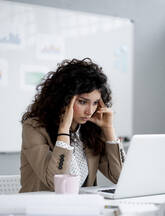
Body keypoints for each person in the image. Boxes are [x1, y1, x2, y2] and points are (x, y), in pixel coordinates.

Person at [19, 58, 125, 193]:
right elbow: (54, 183)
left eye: (95, 103)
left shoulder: (90, 129)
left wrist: (109, 130)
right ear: (64, 99)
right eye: (82, 102)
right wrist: (64, 131)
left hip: (80, 208)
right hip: (42, 209)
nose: (89, 111)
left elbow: (121, 178)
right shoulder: (34, 127)